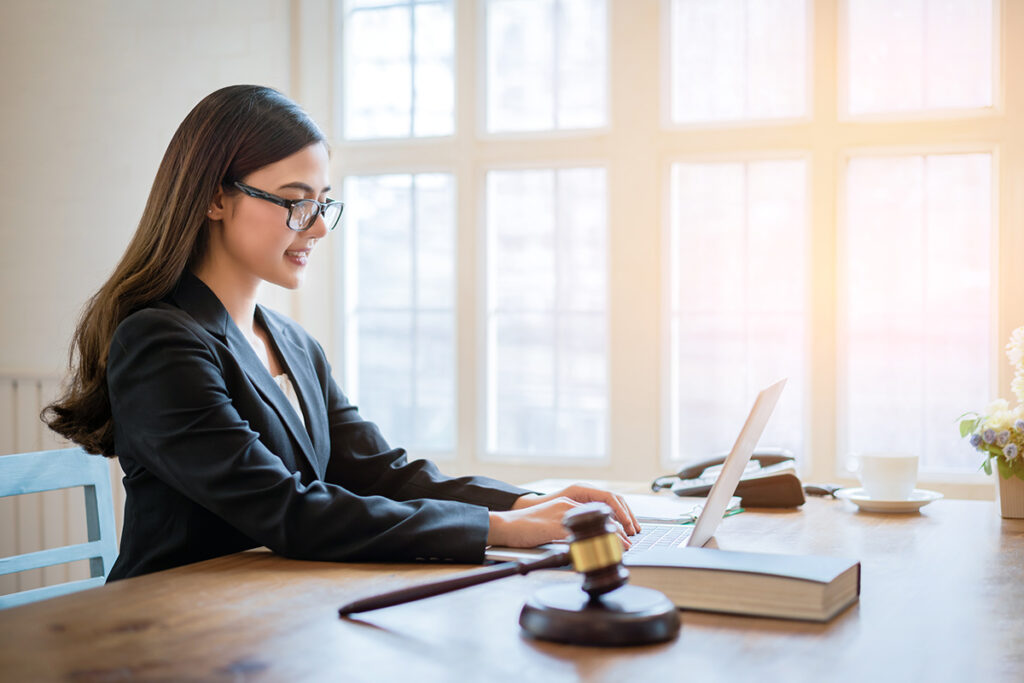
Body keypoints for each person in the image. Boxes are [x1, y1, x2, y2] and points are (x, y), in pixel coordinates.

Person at [44, 85, 638, 580]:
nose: (318, 228)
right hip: (172, 627)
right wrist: (499, 529)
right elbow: (288, 510)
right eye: (295, 202)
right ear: (213, 199)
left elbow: (381, 471)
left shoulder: (293, 344)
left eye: (322, 203)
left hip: (274, 607)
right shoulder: (159, 342)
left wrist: (522, 502)